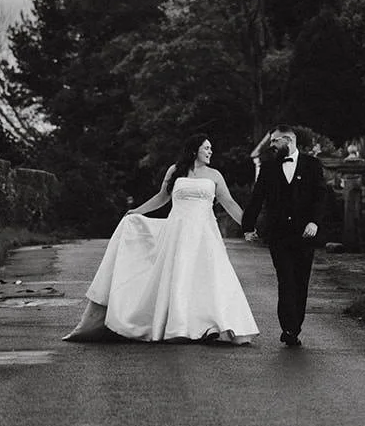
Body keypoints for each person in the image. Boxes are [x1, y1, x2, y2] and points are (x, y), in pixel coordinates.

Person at [63, 135, 257, 345]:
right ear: (195, 150)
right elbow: (161, 197)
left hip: (204, 234)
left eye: (211, 148)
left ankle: (210, 325)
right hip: (177, 232)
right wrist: (137, 211)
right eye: (207, 148)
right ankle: (177, 326)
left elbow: (229, 202)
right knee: (177, 276)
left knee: (208, 278)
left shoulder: (215, 175)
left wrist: (248, 227)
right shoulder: (175, 171)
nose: (210, 152)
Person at [240, 124, 327, 347]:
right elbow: (257, 198)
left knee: (301, 282)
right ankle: (288, 328)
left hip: (305, 235)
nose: (271, 146)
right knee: (285, 279)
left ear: (288, 140)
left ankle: (295, 327)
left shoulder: (312, 165)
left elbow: (321, 197)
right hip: (278, 235)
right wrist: (248, 226)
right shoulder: (269, 168)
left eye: (274, 142)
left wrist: (314, 222)